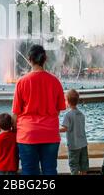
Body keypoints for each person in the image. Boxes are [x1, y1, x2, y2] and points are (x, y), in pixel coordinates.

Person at [12, 44, 66, 175]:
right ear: (45, 59)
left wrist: (15, 129)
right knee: (50, 170)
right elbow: (59, 109)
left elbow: (16, 113)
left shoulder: (22, 82)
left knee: (29, 172)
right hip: (50, 134)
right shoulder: (55, 81)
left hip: (27, 134)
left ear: (29, 59)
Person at [60, 89, 89, 175]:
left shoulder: (68, 115)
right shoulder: (81, 114)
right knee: (84, 166)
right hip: (83, 144)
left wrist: (54, 130)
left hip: (74, 146)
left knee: (74, 166)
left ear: (67, 101)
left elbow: (65, 128)